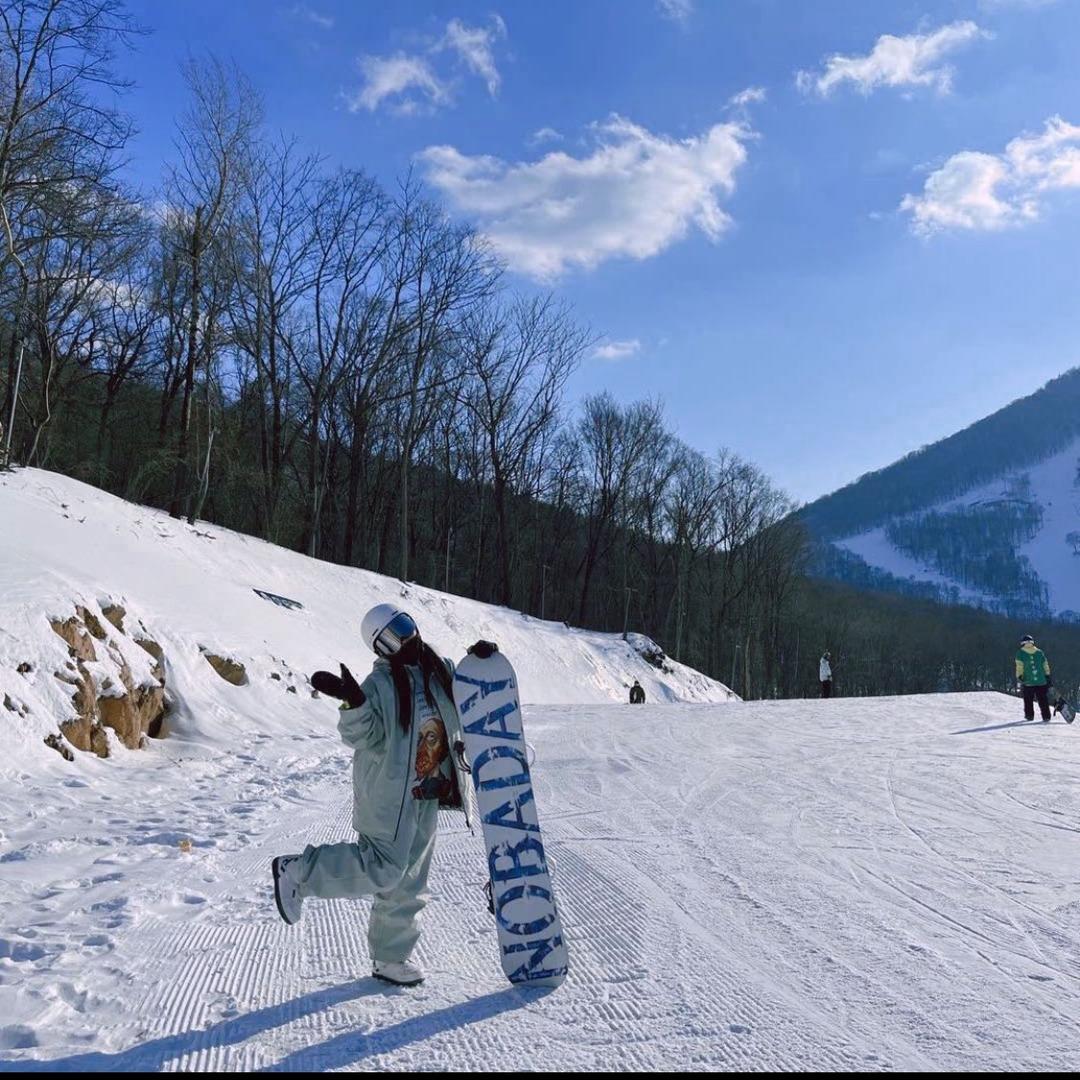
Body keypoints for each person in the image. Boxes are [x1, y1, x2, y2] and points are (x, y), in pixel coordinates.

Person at [271, 604, 489, 988]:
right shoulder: (381, 686)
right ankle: (298, 872)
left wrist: (481, 661)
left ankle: (390, 958)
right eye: (392, 638)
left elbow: (469, 694)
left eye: (405, 627)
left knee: (410, 882)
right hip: (388, 796)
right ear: (381, 649)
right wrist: (353, 704)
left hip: (426, 794)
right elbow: (361, 736)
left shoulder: (439, 673)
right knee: (383, 869)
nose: (406, 639)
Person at [1015, 634, 1052, 722]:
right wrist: (1047, 675)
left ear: (1022, 643)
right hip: (1041, 681)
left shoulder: (1020, 653)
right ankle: (1046, 716)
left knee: (1028, 700)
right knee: (1043, 699)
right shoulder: (1039, 652)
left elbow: (1019, 666)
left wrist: (1019, 676)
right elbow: (1045, 665)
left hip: (1028, 681)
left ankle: (1029, 716)